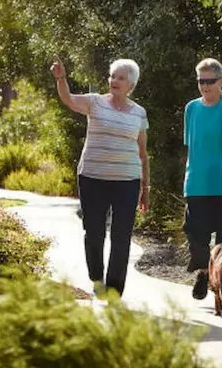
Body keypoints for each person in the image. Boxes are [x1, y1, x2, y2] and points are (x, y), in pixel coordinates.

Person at [50, 56, 150, 297]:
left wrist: (145, 188)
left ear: (131, 85)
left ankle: (114, 289)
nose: (114, 80)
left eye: (121, 78)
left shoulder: (139, 113)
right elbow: (68, 99)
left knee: (121, 236)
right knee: (94, 233)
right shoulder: (95, 102)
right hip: (92, 179)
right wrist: (61, 78)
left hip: (127, 182)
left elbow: (142, 153)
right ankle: (96, 278)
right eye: (112, 76)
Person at [182, 58, 222, 300]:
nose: (205, 86)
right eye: (201, 81)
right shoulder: (191, 108)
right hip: (198, 181)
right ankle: (203, 272)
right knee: (196, 234)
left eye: (210, 81)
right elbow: (192, 145)